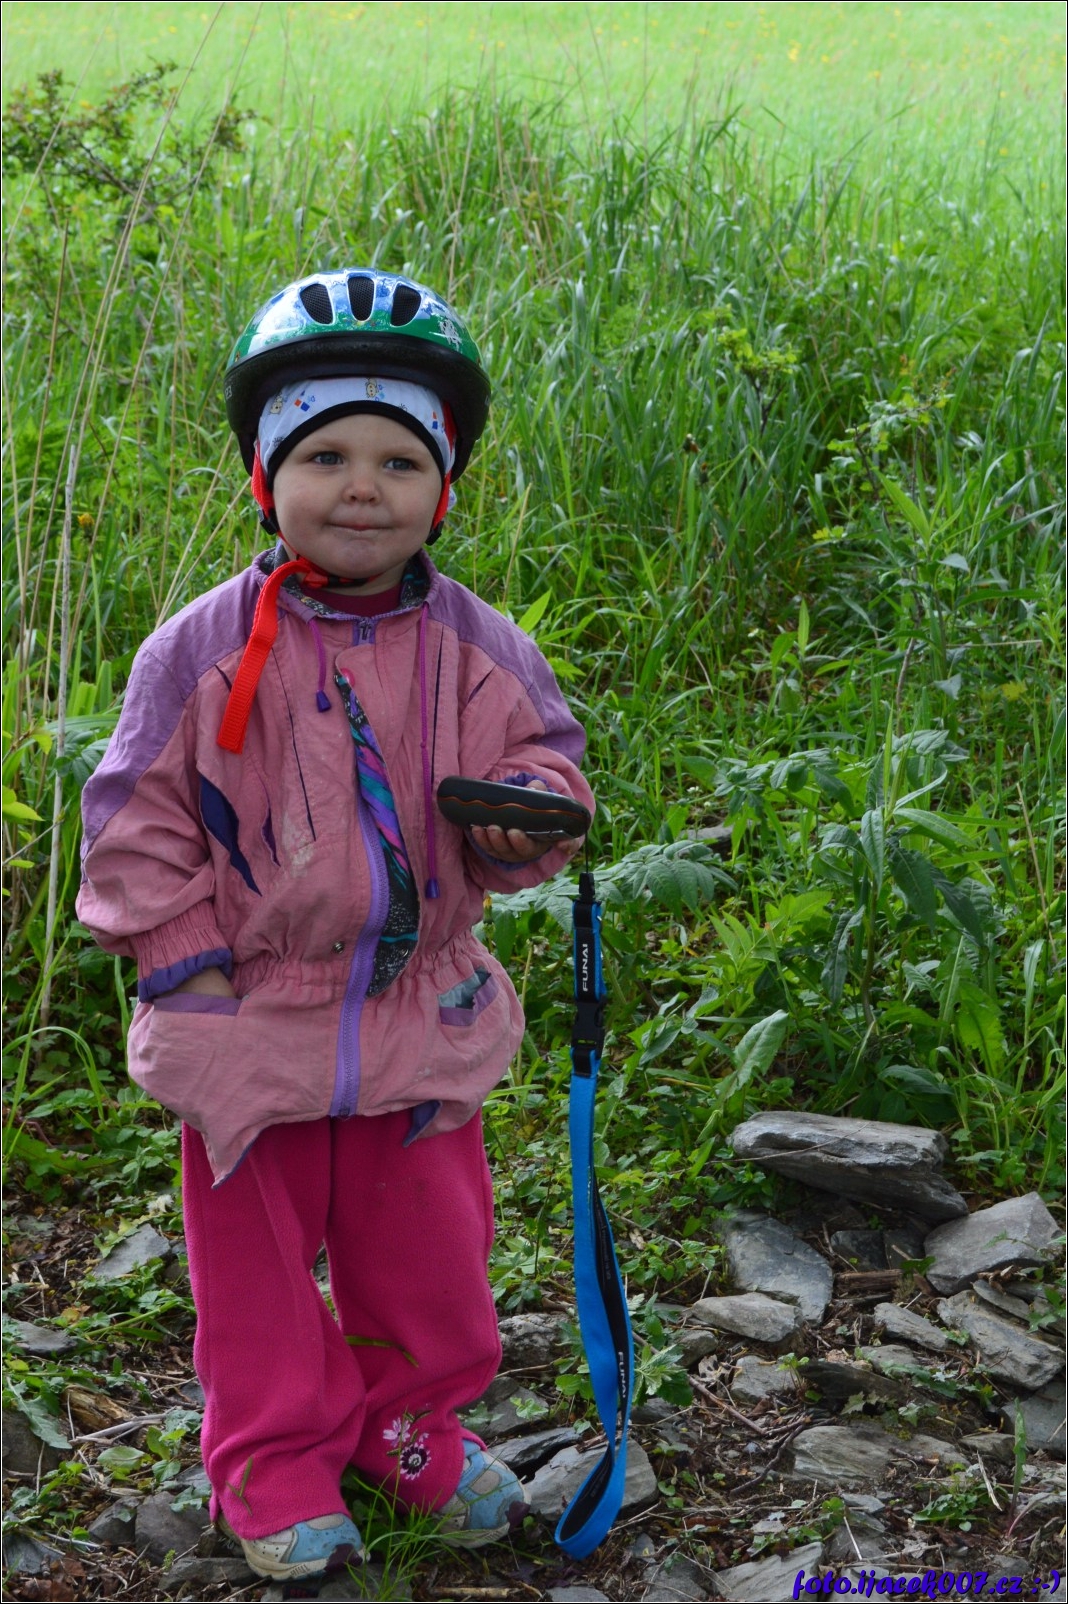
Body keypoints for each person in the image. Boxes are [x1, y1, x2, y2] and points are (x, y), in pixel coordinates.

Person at [77, 268, 593, 1583]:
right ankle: (273, 1459)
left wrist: (527, 819)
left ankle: (407, 1427)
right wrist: (182, 969)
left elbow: (544, 761)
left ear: (444, 487)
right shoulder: (196, 652)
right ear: (266, 476)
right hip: (247, 1017)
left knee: (428, 1254)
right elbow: (136, 819)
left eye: (399, 461)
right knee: (252, 1270)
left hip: (420, 1012)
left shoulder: (481, 648)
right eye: (325, 456)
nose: (363, 489)